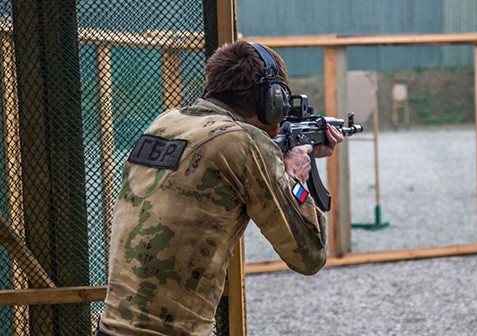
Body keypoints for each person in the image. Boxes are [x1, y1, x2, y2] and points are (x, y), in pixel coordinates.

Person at [96, 41, 344, 335]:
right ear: (271, 101)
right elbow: (309, 255)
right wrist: (295, 175)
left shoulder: (166, 123)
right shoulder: (242, 142)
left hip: (111, 328)